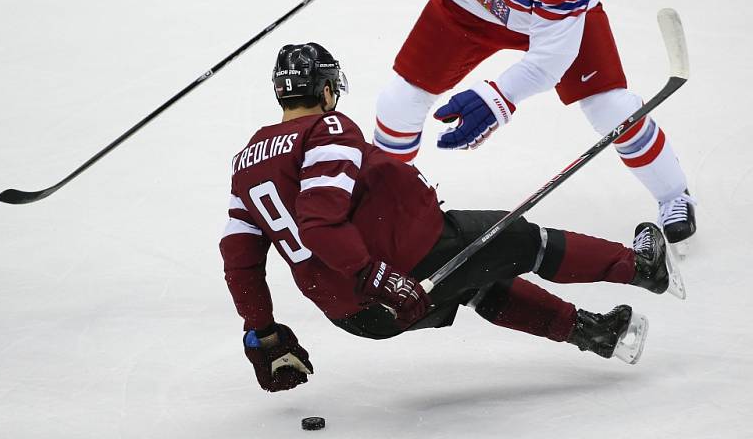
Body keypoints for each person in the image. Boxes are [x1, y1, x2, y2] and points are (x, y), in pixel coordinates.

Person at [219, 42, 685, 393]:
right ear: (325, 89)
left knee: (478, 282)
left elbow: (239, 262)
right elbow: (320, 223)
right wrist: (376, 276)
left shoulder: (245, 163)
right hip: (401, 268)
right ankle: (640, 267)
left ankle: (598, 333)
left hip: (357, 315)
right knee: (522, 240)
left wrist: (263, 332)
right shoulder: (327, 129)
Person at [349, 0, 696, 253]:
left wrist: (498, 97)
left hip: (550, 23)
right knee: (397, 102)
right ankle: (389, 205)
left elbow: (550, 60)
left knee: (612, 109)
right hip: (467, 9)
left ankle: (674, 195)